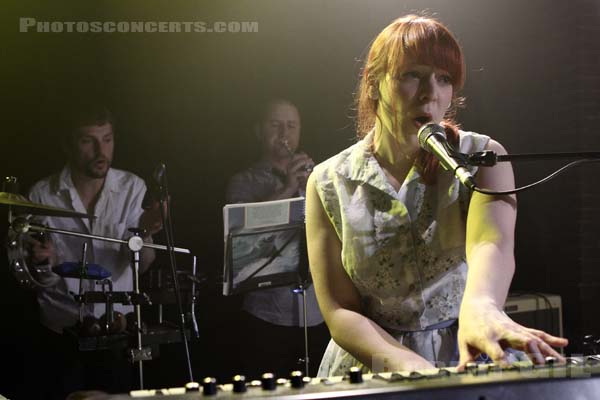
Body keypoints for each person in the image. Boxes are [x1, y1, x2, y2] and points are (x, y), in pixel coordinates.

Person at [305, 15, 568, 377]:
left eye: (444, 79)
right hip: (374, 364)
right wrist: (412, 367)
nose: (432, 93)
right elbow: (339, 310)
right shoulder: (328, 180)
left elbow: (490, 243)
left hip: (467, 351)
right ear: (373, 84)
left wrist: (483, 306)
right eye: (412, 74)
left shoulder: (481, 157)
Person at [23, 103, 165, 399]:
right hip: (60, 329)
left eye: (108, 139)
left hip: (116, 330)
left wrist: (148, 234)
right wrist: (42, 262)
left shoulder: (132, 187)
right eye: (89, 141)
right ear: (68, 145)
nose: (102, 151)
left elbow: (141, 265)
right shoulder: (41, 193)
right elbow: (37, 278)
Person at [226, 99, 330, 378]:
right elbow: (243, 235)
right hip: (267, 314)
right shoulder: (243, 181)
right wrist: (288, 188)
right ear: (259, 131)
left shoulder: (315, 175)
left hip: (316, 313)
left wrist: (318, 187)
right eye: (276, 125)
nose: (285, 133)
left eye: (292, 126)